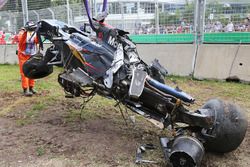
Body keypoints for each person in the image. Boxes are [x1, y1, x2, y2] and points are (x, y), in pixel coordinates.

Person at [17, 21, 40, 96]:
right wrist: (26, 32)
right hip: (23, 56)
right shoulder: (22, 34)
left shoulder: (35, 33)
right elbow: (21, 40)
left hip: (32, 55)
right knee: (24, 72)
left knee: (32, 71)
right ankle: (25, 89)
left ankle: (31, 88)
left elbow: (37, 41)